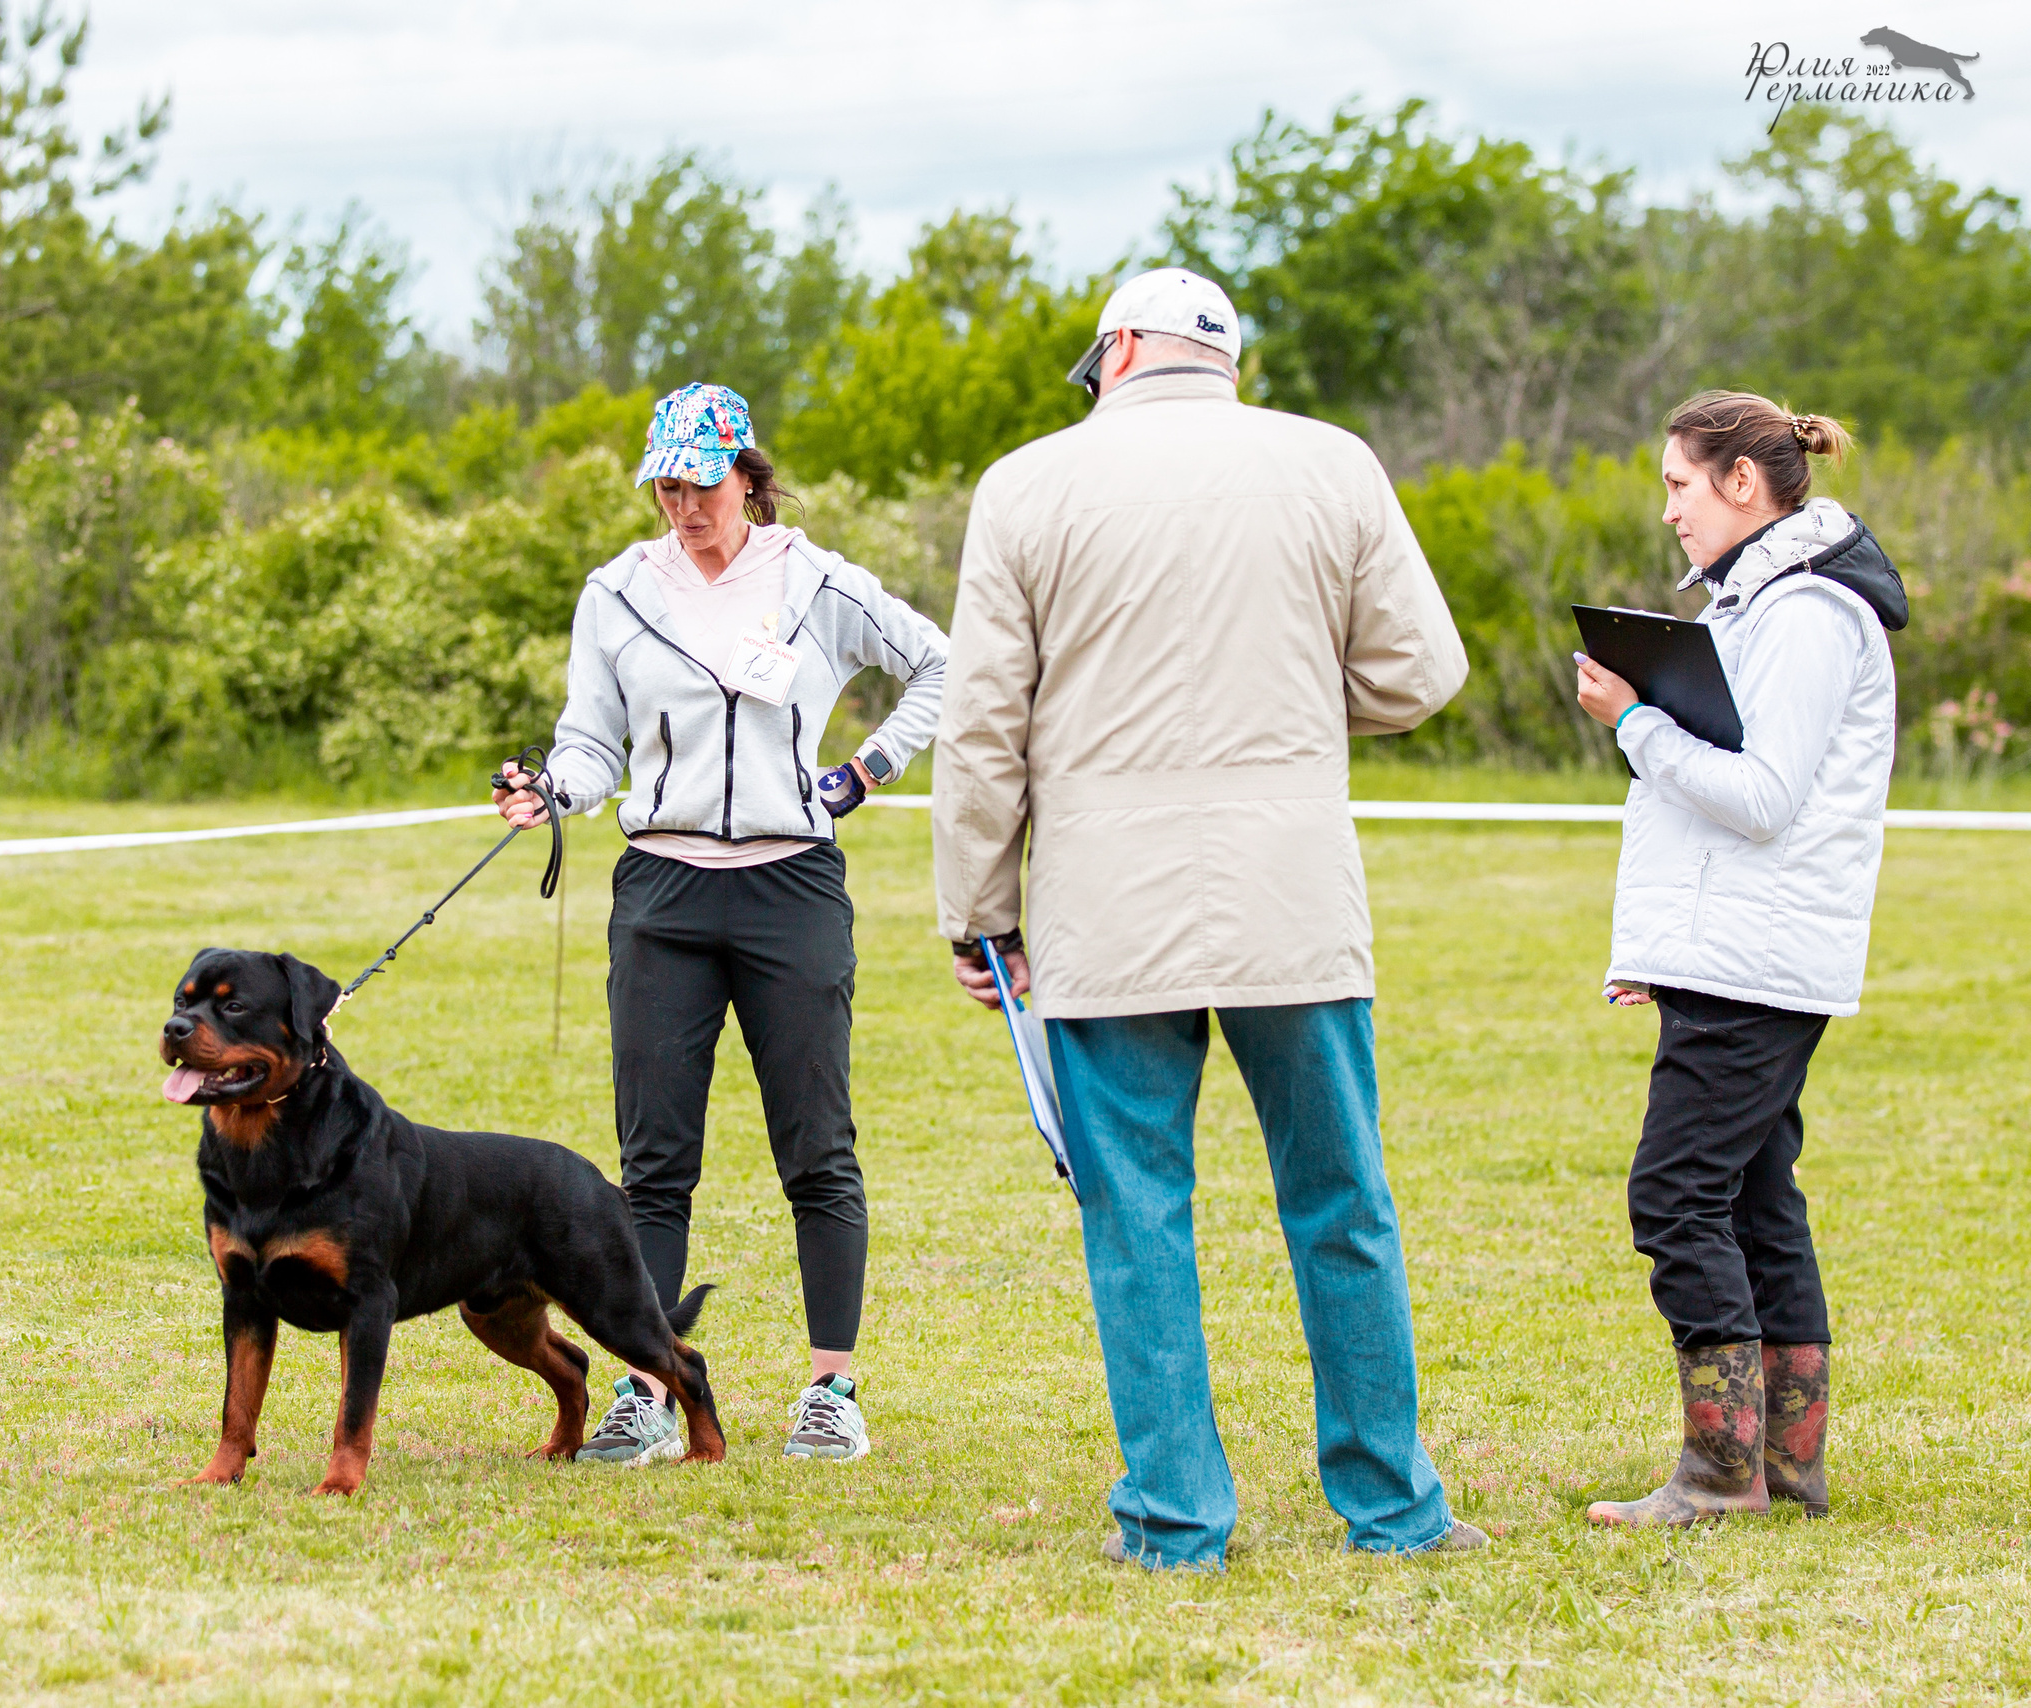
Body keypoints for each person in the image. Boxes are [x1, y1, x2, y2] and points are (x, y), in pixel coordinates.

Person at [932, 267, 1483, 1570]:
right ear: (1224, 356)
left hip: (1101, 913)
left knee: (1137, 1214)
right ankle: (1394, 1510)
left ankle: (1178, 1519)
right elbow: (1424, 670)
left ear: (1117, 348)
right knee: (1342, 1202)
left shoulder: (1027, 485)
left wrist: (978, 913)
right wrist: (1286, 702)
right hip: (1291, 897)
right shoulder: (1331, 464)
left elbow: (982, 731)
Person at [495, 382, 948, 1466]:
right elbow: (592, 742)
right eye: (665, 484)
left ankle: (830, 1390)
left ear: (747, 473)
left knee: (818, 1152)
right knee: (653, 1164)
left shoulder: (817, 582)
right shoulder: (615, 592)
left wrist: (868, 766)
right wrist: (552, 789)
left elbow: (940, 662)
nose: (682, 505)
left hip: (791, 889)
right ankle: (646, 1386)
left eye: (700, 483)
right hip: (661, 892)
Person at [1573, 391, 1903, 1527]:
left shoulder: (1805, 614)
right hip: (1730, 951)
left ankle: (1720, 1476)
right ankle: (1786, 1468)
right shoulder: (1759, 603)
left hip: (1757, 958)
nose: (1666, 508)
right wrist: (1654, 950)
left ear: (1742, 484)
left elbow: (1761, 800)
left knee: (1673, 1195)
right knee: (1757, 1199)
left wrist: (1632, 722)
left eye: (1677, 482)